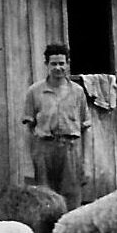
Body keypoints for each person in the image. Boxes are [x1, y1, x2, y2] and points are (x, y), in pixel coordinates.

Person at [21, 42, 90, 211]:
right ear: (46, 65)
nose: (58, 67)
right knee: (45, 203)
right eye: (53, 63)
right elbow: (27, 131)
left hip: (70, 151)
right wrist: (28, 165)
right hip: (44, 152)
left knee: (72, 202)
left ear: (67, 64)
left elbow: (86, 128)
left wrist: (86, 163)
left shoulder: (78, 92)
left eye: (61, 63)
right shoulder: (34, 92)